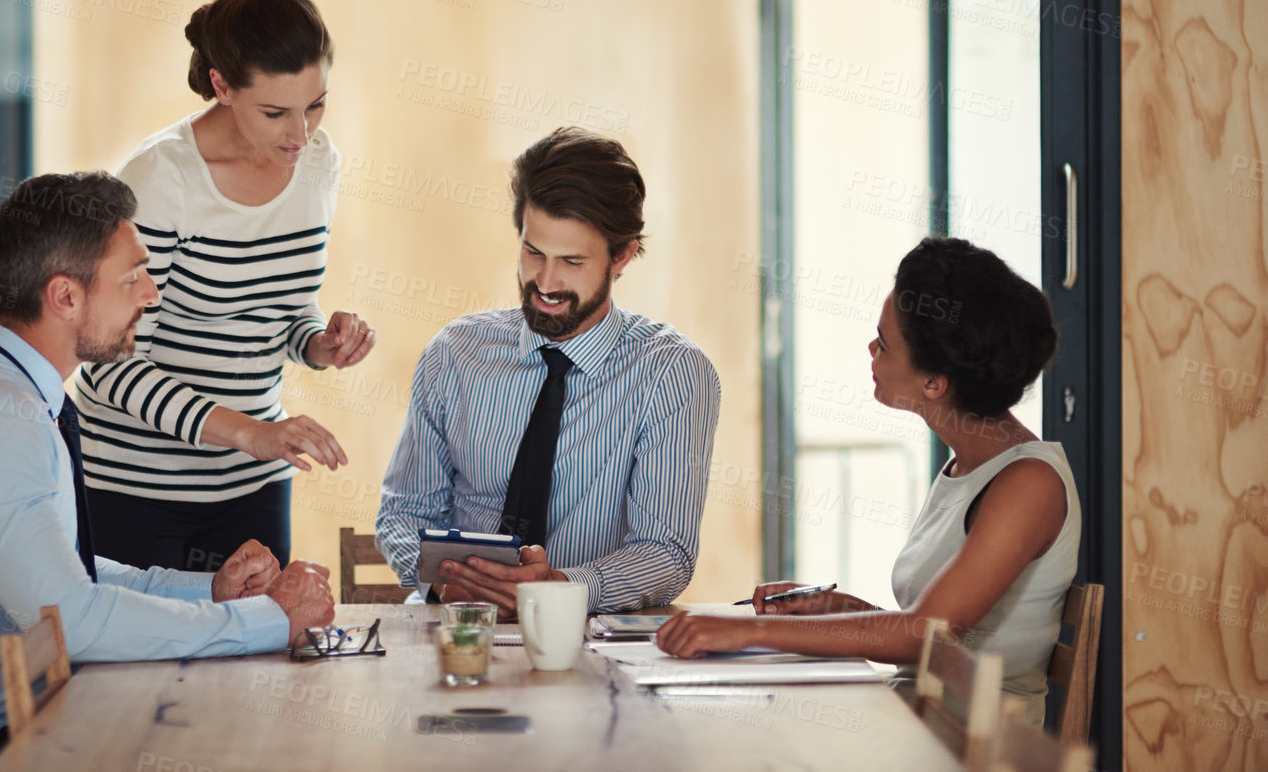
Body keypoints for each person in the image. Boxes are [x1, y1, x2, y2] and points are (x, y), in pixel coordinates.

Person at [0, 172, 335, 767]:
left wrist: (209, 592)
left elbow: (67, 576)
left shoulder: (5, 393)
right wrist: (262, 621)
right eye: (132, 277)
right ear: (65, 297)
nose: (152, 294)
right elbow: (71, 621)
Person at [657, 236, 1076, 725]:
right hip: (916, 719)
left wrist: (745, 633)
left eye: (886, 342)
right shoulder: (968, 465)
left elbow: (924, 636)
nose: (871, 348)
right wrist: (839, 608)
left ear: (934, 383)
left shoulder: (1029, 484)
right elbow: (940, 631)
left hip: (967, 744)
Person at [70, 0, 375, 574]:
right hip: (133, 485)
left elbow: (281, 308)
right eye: (275, 112)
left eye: (316, 104)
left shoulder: (317, 164)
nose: (301, 133)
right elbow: (109, 362)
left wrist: (317, 341)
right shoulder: (162, 178)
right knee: (138, 667)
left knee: (260, 654)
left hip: (250, 483)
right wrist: (250, 433)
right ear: (221, 86)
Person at [376, 127, 721, 615]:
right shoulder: (454, 354)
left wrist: (559, 587)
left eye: (572, 261)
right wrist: (443, 584)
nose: (546, 281)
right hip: (460, 634)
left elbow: (666, 552)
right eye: (533, 251)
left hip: (588, 643)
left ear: (621, 255)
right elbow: (404, 513)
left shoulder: (672, 374)